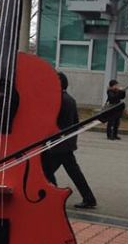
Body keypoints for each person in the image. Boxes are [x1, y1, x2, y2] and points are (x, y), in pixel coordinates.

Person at [42, 72, 97, 210]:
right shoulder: (70, 99)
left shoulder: (57, 99)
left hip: (57, 144)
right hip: (66, 143)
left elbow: (49, 121)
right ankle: (88, 198)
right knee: (70, 172)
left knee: (45, 171)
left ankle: (53, 195)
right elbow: (76, 122)